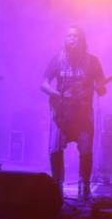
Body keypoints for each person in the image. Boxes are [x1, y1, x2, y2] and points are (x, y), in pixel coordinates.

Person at [41, 26, 106, 200]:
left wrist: (101, 88)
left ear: (82, 40)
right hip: (61, 114)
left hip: (83, 116)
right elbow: (44, 84)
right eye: (69, 36)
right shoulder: (58, 59)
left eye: (75, 36)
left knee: (85, 151)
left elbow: (102, 89)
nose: (72, 39)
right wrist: (57, 94)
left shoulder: (92, 62)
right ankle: (57, 185)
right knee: (55, 149)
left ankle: (84, 185)